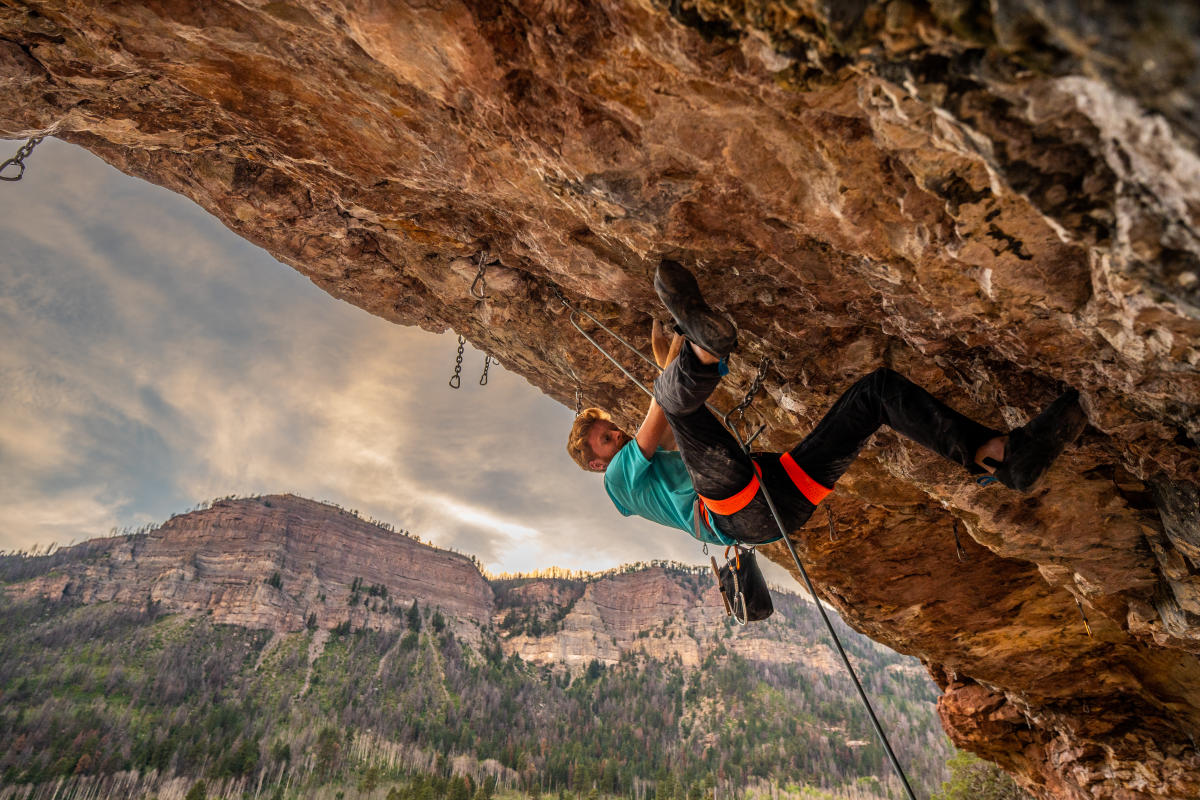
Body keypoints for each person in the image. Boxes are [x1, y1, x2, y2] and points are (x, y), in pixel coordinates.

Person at [565, 260, 1087, 546]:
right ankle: (704, 345)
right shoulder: (618, 484)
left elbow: (670, 420)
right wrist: (671, 367)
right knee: (676, 405)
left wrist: (669, 378)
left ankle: (997, 455)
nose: (620, 437)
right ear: (595, 461)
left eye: (613, 429)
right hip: (735, 511)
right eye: (608, 439)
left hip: (782, 496)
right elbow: (660, 423)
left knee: (876, 393)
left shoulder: (643, 468)